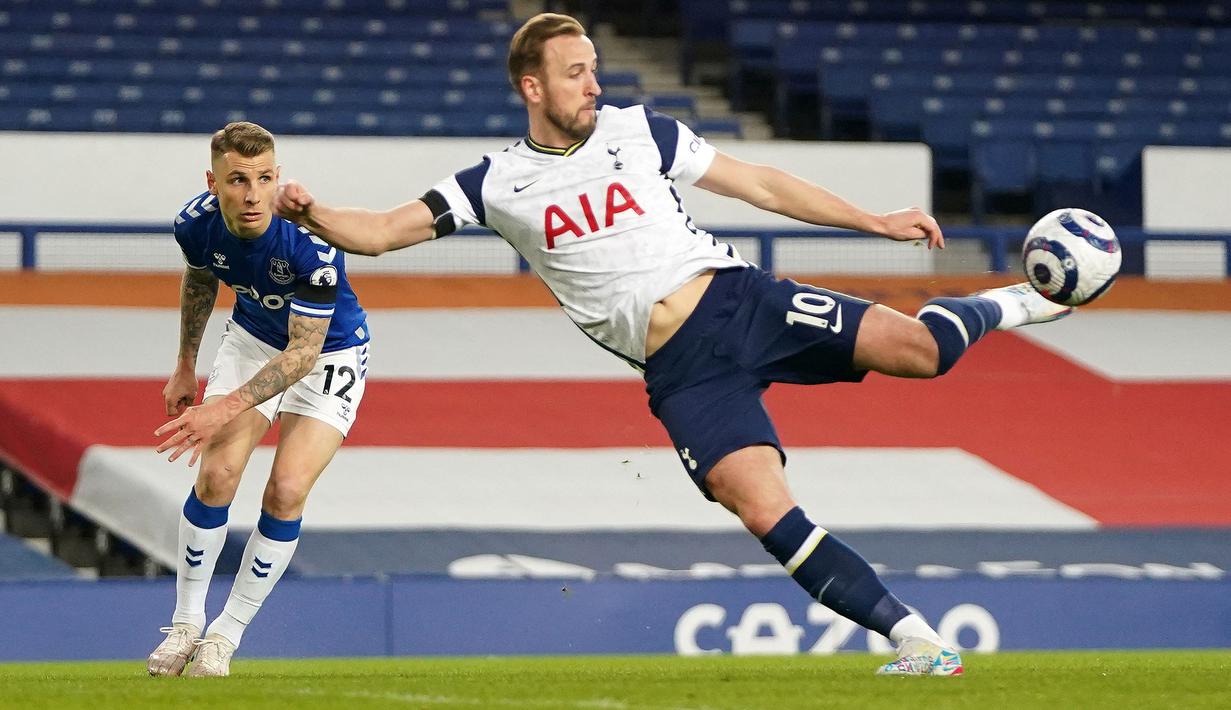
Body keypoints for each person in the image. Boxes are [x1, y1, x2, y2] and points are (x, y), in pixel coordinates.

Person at [273, 14, 1071, 676]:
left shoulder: (640, 131)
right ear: (532, 85)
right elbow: (379, 232)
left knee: (921, 353)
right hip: (683, 373)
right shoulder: (493, 184)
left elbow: (757, 182)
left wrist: (872, 220)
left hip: (740, 299)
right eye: (577, 72)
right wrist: (308, 209)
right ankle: (916, 641)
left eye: (594, 69)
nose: (594, 84)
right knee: (760, 507)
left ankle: (1014, 302)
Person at [147, 121, 371, 677]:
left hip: (328, 353)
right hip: (251, 339)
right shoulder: (194, 224)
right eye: (238, 180)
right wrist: (184, 366)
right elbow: (201, 281)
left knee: (287, 488)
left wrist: (220, 407)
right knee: (218, 473)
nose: (253, 195)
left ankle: (226, 634)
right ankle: (186, 624)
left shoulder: (312, 246)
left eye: (265, 178)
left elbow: (301, 356)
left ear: (279, 176)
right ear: (213, 181)